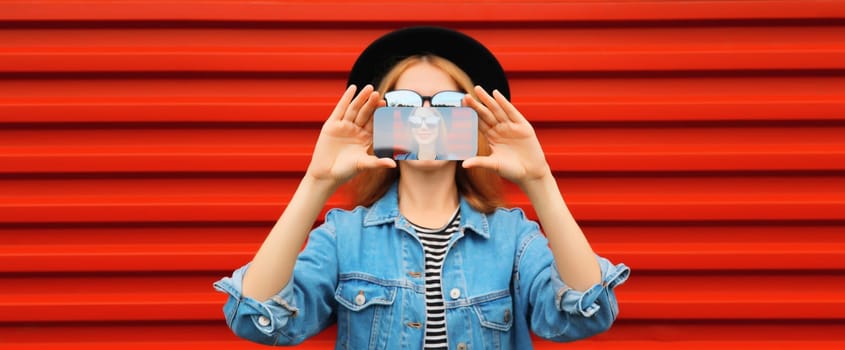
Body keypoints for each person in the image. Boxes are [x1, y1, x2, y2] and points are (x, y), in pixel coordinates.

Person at [214, 26, 629, 349]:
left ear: (473, 120)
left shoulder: (514, 238)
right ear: (380, 118)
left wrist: (539, 180)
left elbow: (587, 315)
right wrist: (316, 181)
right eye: (406, 104)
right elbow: (255, 319)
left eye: (447, 104)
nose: (426, 117)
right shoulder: (344, 237)